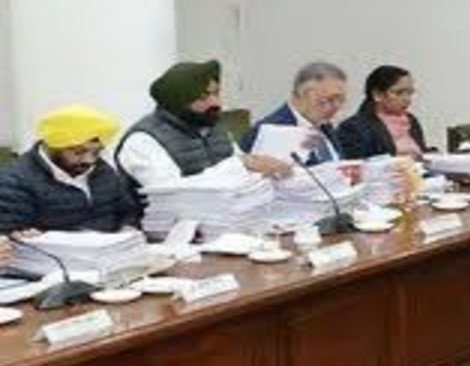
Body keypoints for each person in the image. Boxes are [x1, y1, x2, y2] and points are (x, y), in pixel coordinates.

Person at [115, 60, 293, 190]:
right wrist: (240, 165)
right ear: (178, 100)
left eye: (216, 93)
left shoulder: (215, 128)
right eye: (203, 97)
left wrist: (264, 169)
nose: (216, 103)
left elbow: (242, 170)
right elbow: (172, 193)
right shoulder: (143, 140)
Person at [0, 105, 138, 233]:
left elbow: (128, 211)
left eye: (97, 152)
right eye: (79, 152)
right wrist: (21, 235)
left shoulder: (103, 170)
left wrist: (128, 229)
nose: (89, 160)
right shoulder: (16, 181)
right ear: (53, 147)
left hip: (113, 248)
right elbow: (9, 231)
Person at [241, 61, 348, 165]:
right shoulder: (273, 131)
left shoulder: (325, 126)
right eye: (329, 99)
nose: (337, 107)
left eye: (341, 100)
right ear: (304, 95)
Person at [336, 65, 429, 159]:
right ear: (377, 95)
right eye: (399, 93)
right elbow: (357, 163)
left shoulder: (411, 120)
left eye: (410, 93)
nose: (407, 99)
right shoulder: (354, 127)